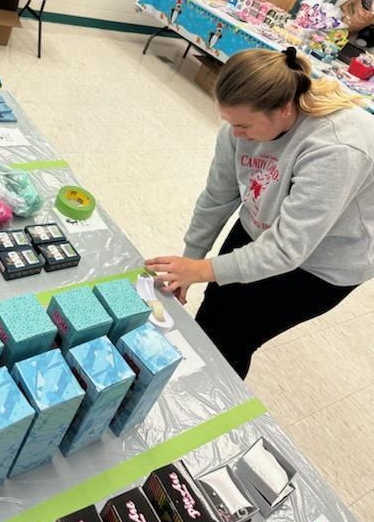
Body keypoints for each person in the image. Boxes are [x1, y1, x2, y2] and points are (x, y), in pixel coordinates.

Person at [145, 47, 374, 379]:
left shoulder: (337, 148)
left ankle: (212, 398)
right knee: (214, 305)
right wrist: (191, 262)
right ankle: (191, 376)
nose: (236, 134)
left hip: (322, 263)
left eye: (244, 125)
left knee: (233, 337)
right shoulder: (237, 128)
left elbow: (286, 249)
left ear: (284, 109)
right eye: (229, 122)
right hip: (263, 226)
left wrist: (200, 269)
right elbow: (216, 197)